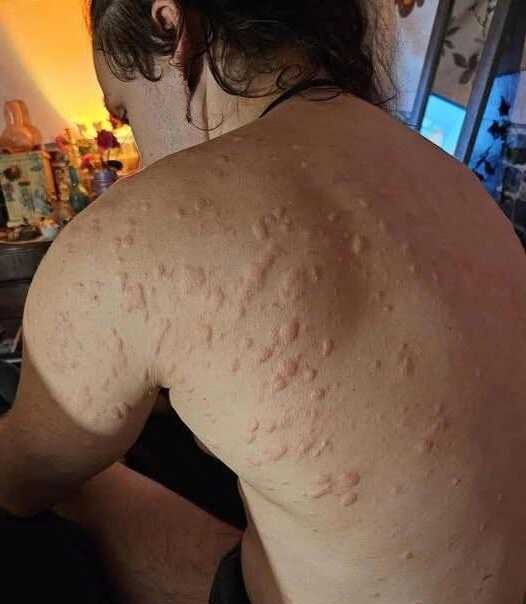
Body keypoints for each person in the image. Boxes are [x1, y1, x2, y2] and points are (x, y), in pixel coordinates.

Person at [1, 1, 526, 603]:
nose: (140, 150)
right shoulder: (454, 180)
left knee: (74, 482)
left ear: (171, 26)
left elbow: (21, 477)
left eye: (125, 112)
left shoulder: (143, 229)